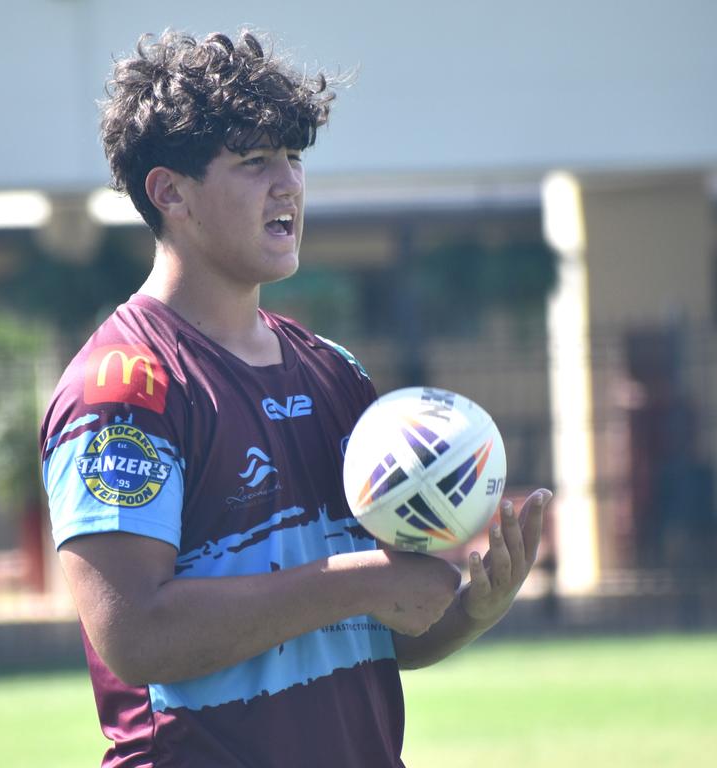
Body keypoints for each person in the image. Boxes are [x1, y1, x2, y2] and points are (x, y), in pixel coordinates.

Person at [39, 28, 552, 767]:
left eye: (294, 157)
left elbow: (378, 630)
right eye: (254, 161)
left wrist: (472, 608)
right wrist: (365, 581)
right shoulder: (124, 389)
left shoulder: (334, 372)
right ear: (169, 191)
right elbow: (137, 635)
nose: (289, 184)